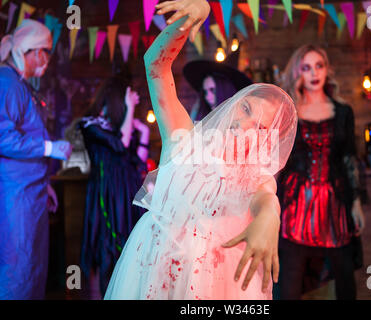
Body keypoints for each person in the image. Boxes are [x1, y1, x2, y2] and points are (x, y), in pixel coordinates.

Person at [105, 0, 297, 300]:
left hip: (218, 283)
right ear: (233, 103)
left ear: (265, 141)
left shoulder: (253, 174)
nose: (244, 125)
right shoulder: (184, 137)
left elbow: (265, 197)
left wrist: (270, 216)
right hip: (157, 273)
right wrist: (190, 20)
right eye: (245, 108)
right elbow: (156, 65)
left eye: (260, 128)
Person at [276, 45, 365, 300]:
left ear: (327, 70)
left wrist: (356, 202)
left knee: (345, 279)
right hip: (295, 204)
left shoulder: (343, 111)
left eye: (319, 65)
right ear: (297, 73)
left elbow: (348, 157)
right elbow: (277, 159)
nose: (314, 73)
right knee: (289, 282)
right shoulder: (287, 110)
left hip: (334, 202)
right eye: (306, 67)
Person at [0, 19, 72, 299]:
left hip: (29, 192)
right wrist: (47, 148)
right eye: (45, 51)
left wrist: (45, 185)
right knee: (19, 269)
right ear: (31, 52)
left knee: (32, 268)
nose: (46, 60)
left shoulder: (19, 84)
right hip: (16, 197)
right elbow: (3, 137)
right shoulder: (6, 83)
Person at [79, 75, 150, 298]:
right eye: (130, 96)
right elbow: (120, 145)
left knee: (129, 248)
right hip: (106, 194)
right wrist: (129, 110)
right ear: (117, 99)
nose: (135, 99)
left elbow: (137, 161)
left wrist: (145, 133)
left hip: (126, 193)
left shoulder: (123, 125)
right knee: (104, 249)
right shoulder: (90, 124)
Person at [183, 60, 252, 121]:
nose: (207, 97)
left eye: (212, 90)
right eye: (205, 92)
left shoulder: (243, 121)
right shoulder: (202, 117)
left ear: (225, 90)